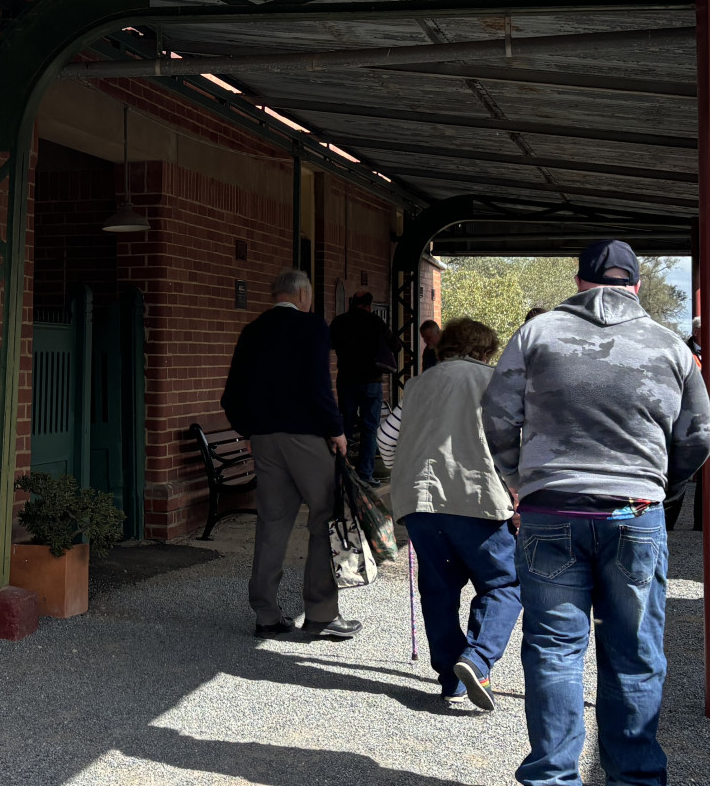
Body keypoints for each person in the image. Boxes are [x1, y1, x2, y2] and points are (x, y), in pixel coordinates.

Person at [483, 239, 710, 786]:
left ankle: (551, 779)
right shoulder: (670, 346)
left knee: (554, 654)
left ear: (580, 282)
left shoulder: (536, 335)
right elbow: (697, 436)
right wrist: (660, 487)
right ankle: (634, 779)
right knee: (634, 654)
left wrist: (519, 481)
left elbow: (495, 415)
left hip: (550, 512)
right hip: (634, 513)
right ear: (634, 285)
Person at [221, 268, 361, 641]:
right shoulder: (313, 327)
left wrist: (249, 431)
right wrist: (336, 430)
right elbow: (319, 386)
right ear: (303, 294)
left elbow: (231, 395)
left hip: (264, 438)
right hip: (306, 437)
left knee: (271, 523)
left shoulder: (252, 330)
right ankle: (320, 613)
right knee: (325, 518)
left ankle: (266, 615)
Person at [393, 316, 520, 711]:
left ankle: (451, 678)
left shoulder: (416, 384)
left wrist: (406, 471)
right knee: (503, 583)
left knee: (438, 589)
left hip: (418, 500)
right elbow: (513, 440)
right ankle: (477, 660)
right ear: (485, 350)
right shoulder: (494, 380)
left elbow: (386, 439)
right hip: (475, 498)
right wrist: (518, 489)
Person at [329, 291, 397, 483]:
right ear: (369, 305)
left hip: (347, 380)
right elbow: (396, 345)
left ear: (352, 303)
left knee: (346, 426)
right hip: (371, 381)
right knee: (370, 428)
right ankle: (365, 474)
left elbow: (329, 344)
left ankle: (343, 473)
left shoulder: (339, 322)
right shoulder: (375, 322)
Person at [664, 324, 705, 532]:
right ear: (698, 331)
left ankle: (701, 524)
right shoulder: (682, 351)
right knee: (678, 474)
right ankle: (669, 522)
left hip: (704, 423)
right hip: (683, 422)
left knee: (706, 475)